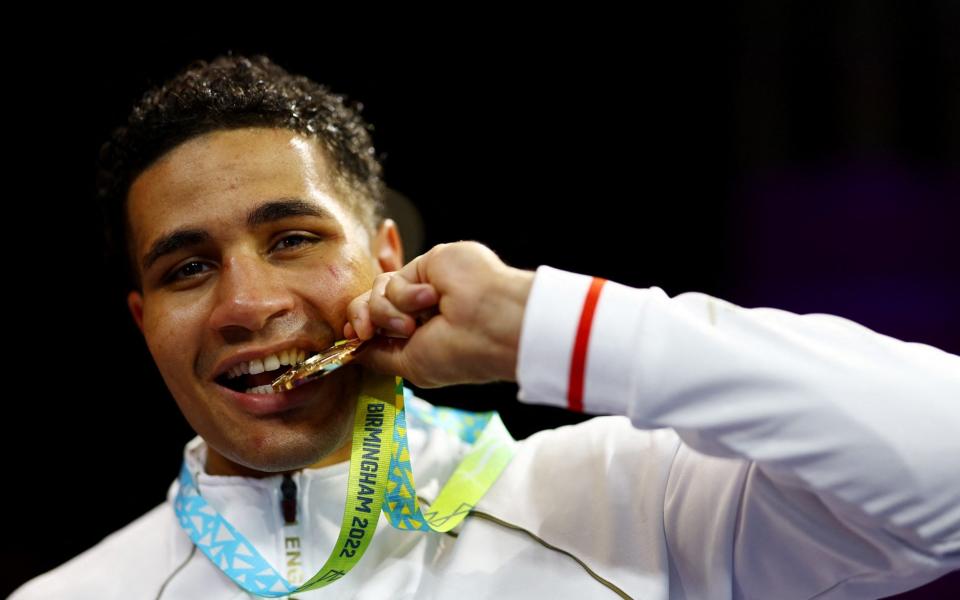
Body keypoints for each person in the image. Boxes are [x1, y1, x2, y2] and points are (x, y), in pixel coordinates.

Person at [11, 53, 960, 599]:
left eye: (294, 238)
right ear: (144, 322)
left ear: (388, 257)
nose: (246, 304)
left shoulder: (627, 505)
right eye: (187, 268)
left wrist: (552, 328)